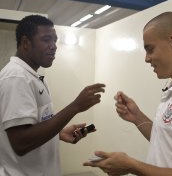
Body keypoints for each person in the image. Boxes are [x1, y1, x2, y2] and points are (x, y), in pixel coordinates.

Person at [83, 11, 172, 176]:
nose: (146, 58)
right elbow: (168, 143)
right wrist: (137, 117)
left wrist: (132, 166)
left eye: (150, 49)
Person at [0, 15, 105, 176]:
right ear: (26, 43)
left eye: (55, 40)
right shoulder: (16, 77)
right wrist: (75, 107)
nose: (54, 46)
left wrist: (58, 134)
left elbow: (34, 127)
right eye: (46, 40)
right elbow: (21, 143)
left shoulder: (32, 76)